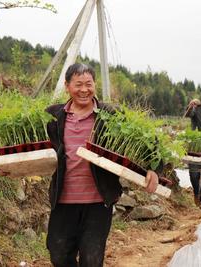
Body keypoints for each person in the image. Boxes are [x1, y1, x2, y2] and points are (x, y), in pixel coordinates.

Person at [44, 63, 159, 267]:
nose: (84, 90)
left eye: (89, 84)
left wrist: (153, 168)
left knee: (92, 258)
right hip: (63, 200)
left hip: (98, 201)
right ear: (67, 86)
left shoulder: (111, 115)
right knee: (59, 255)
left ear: (94, 85)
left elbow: (142, 142)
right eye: (78, 84)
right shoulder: (53, 116)